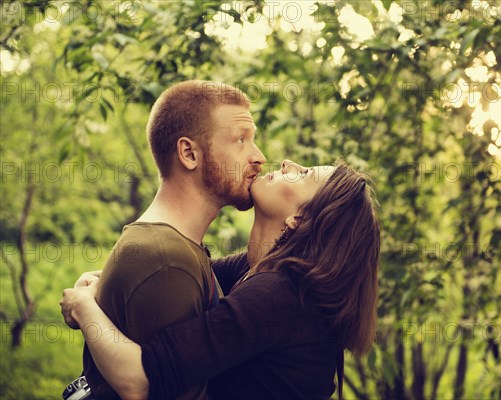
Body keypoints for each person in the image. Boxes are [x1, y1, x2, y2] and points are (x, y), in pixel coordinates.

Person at [61, 159, 380, 400]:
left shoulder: (280, 295)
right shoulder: (261, 268)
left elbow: (138, 378)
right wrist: (104, 281)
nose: (287, 163)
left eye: (304, 173)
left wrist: (83, 308)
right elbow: (174, 272)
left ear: (299, 219)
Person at [68, 80, 266, 400]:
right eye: (240, 140)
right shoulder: (166, 260)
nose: (258, 156)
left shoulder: (173, 250)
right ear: (189, 153)